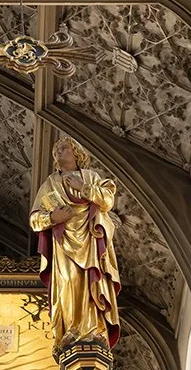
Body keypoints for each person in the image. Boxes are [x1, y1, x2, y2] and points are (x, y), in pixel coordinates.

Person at [29, 137, 122, 349]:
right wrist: (53, 218)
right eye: (57, 150)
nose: (60, 153)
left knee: (92, 282)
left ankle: (96, 329)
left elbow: (107, 200)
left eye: (64, 148)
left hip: (90, 237)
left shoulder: (91, 177)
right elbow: (34, 220)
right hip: (64, 243)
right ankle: (70, 330)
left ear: (77, 153)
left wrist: (84, 188)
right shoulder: (50, 184)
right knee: (69, 283)